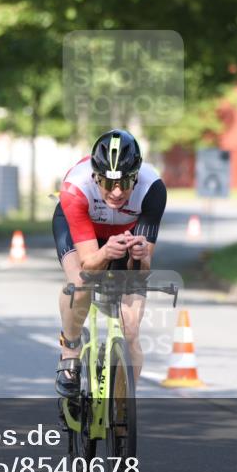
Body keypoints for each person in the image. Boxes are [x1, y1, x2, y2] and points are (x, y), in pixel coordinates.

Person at [52, 129, 167, 398]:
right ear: (95, 176)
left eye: (125, 183)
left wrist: (140, 256)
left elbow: (141, 272)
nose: (116, 192)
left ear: (136, 177)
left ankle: (124, 408)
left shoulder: (153, 189)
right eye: (107, 183)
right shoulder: (75, 188)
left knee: (131, 329)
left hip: (125, 232)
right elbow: (89, 264)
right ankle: (70, 351)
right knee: (80, 283)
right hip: (79, 230)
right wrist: (106, 254)